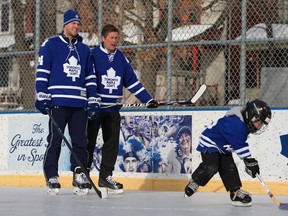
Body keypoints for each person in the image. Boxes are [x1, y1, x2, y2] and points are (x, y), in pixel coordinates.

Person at [35, 9, 100, 195]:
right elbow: (42, 73)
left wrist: (93, 98)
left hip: (79, 103)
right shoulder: (51, 45)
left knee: (81, 141)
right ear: (65, 24)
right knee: (55, 140)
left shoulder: (84, 49)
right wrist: (42, 95)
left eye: (78, 24)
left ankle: (79, 173)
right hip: (58, 102)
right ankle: (52, 175)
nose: (76, 26)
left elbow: (90, 77)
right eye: (73, 23)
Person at [86, 24, 158, 193]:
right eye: (111, 38)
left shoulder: (121, 58)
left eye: (116, 38)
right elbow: (87, 78)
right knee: (88, 143)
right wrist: (91, 100)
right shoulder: (93, 55)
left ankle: (105, 177)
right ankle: (84, 176)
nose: (114, 41)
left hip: (112, 109)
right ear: (103, 38)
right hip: (95, 108)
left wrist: (147, 99)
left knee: (111, 144)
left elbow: (132, 81)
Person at [184, 99, 272, 207]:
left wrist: (248, 161)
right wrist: (249, 160)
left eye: (262, 123)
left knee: (229, 168)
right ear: (250, 115)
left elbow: (237, 142)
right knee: (211, 166)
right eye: (259, 122)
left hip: (224, 146)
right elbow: (238, 143)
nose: (260, 126)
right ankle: (195, 181)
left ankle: (235, 193)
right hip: (211, 141)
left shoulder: (243, 123)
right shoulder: (236, 123)